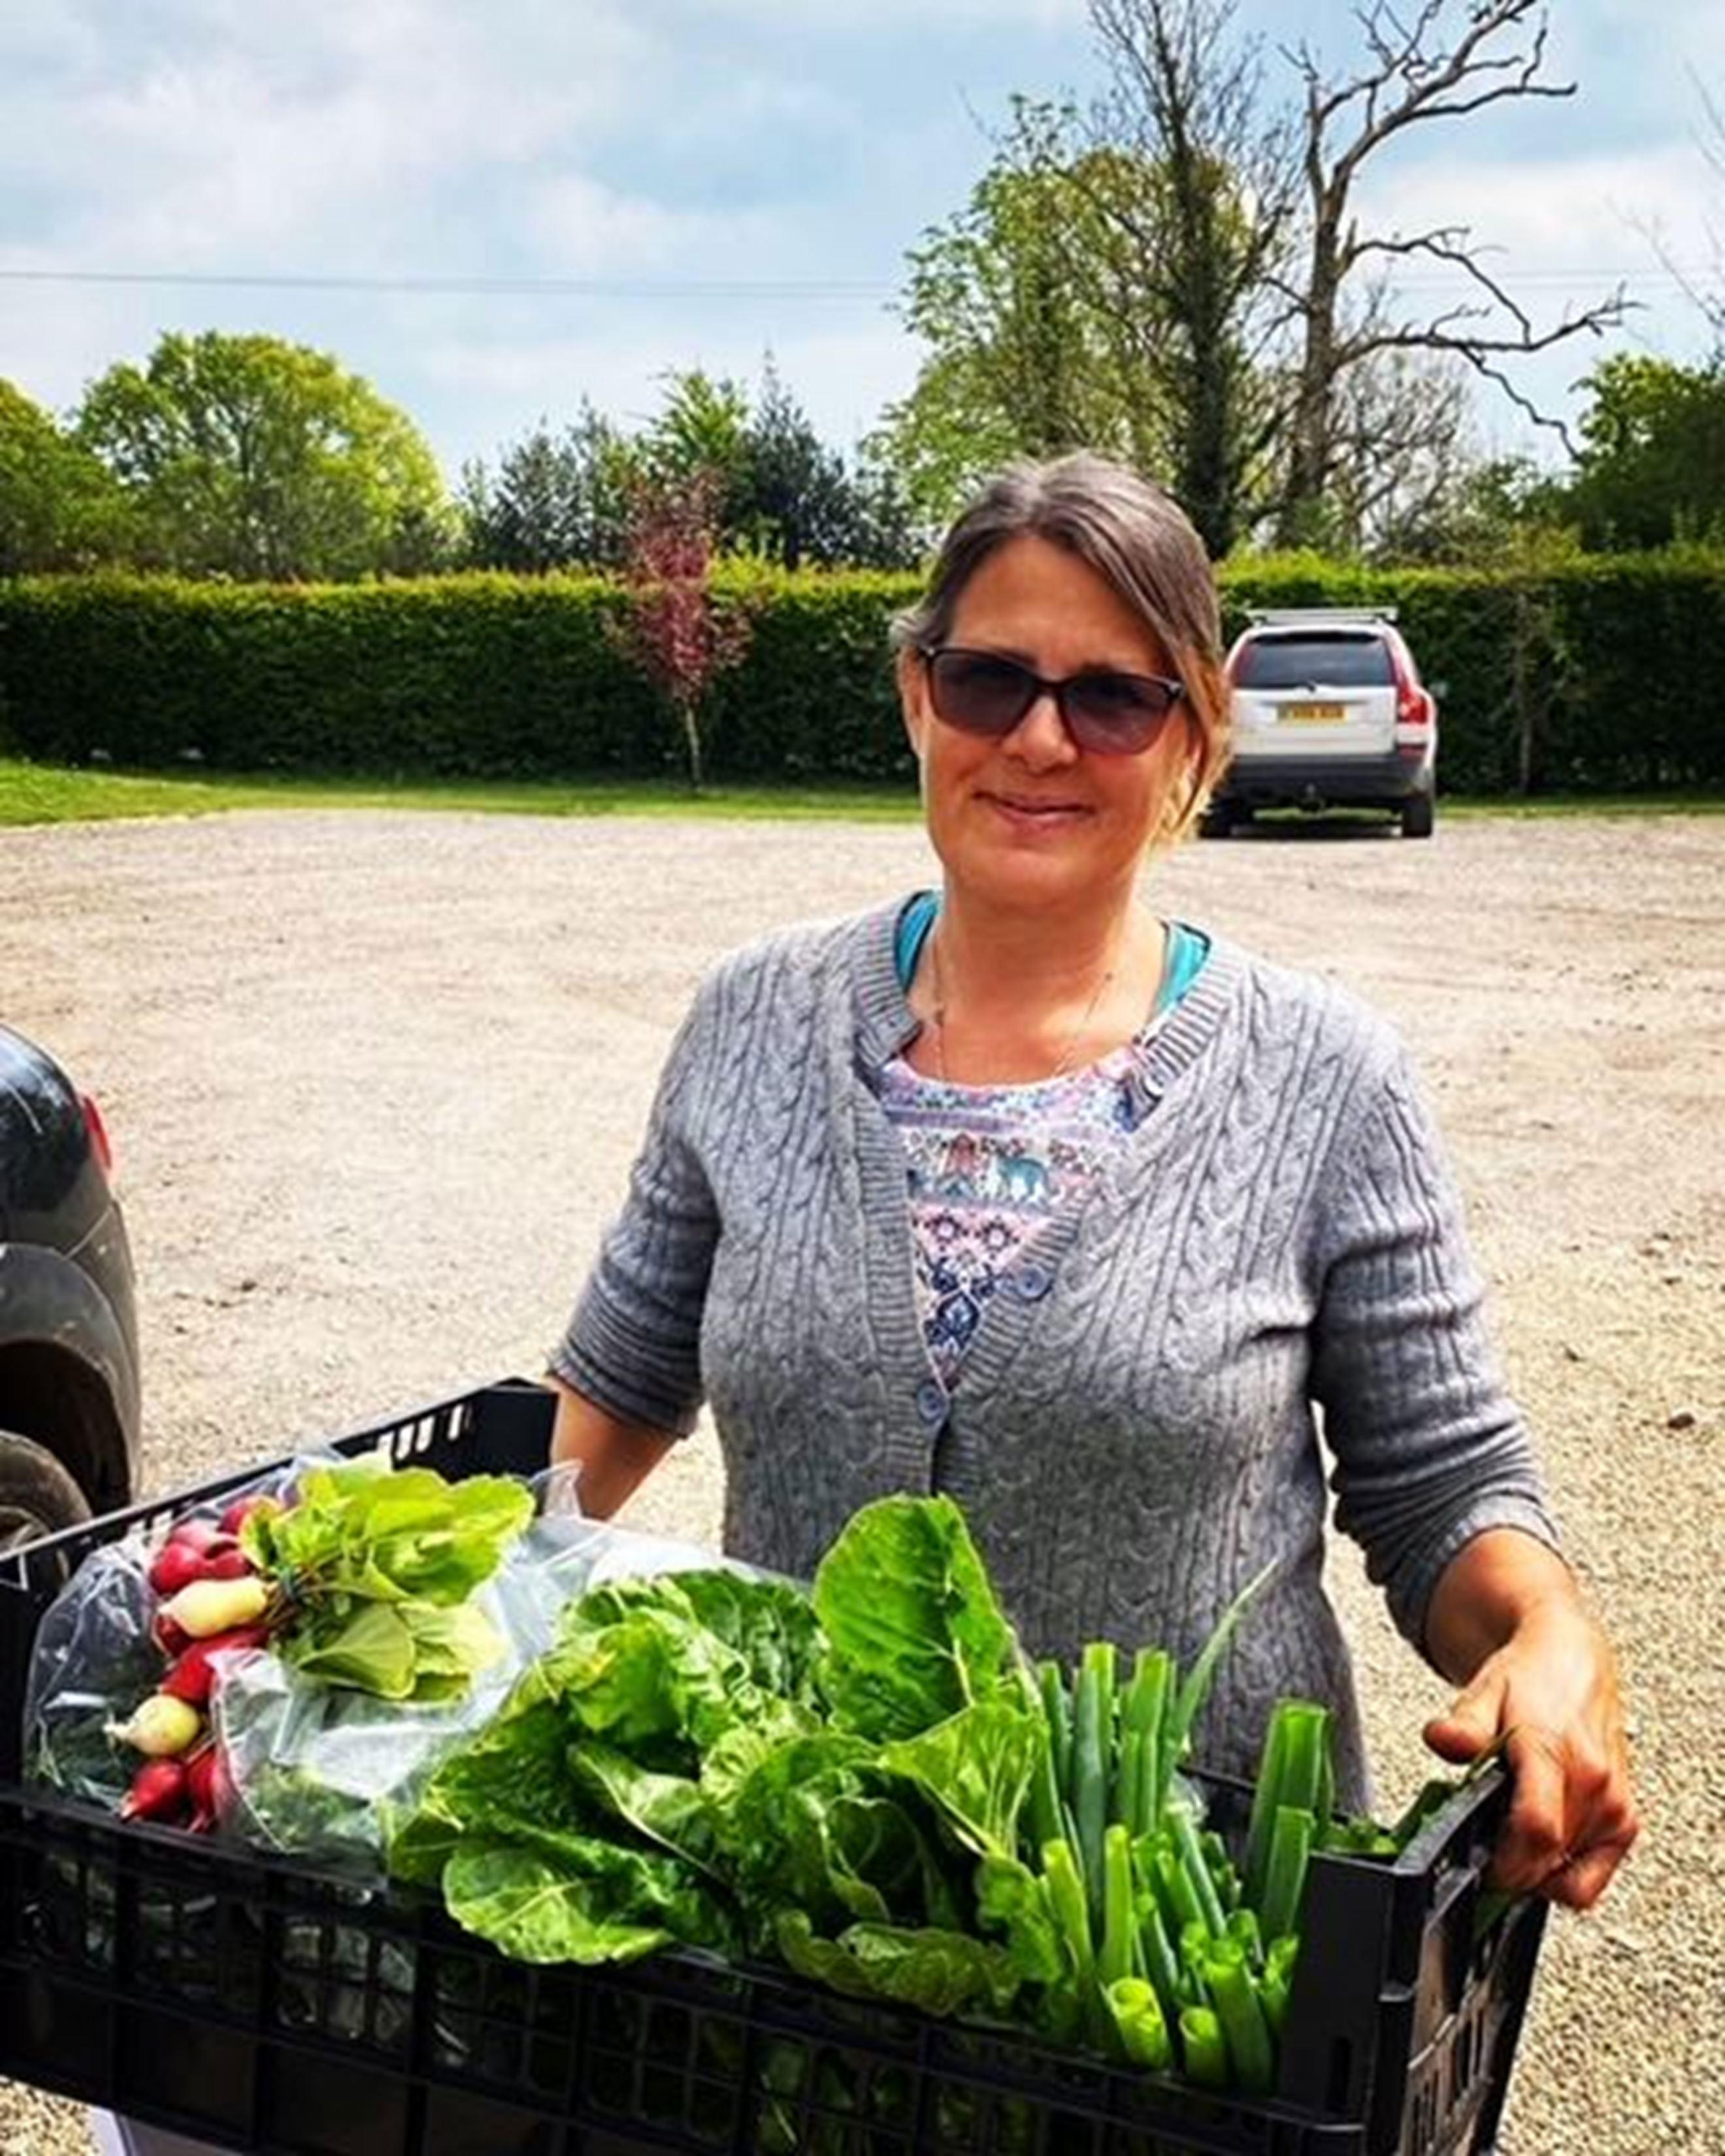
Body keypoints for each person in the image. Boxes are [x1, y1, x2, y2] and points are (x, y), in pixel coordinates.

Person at [547, 451, 1637, 1910]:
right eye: (992, 680)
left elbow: (1442, 1490)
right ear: (919, 698)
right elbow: (610, 1396)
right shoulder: (751, 1021)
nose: (1043, 741)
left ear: (1195, 741)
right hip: (815, 1929)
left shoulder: (1325, 1078)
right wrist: (371, 1577)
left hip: (1182, 1956)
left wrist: (1552, 1633)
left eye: (1115, 698)